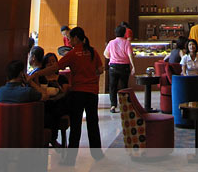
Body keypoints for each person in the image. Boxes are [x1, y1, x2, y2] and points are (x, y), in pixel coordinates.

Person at [35, 26, 104, 165]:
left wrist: (37, 74)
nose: (69, 41)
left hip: (78, 92)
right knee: (93, 123)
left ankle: (71, 159)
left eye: (70, 38)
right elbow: (100, 70)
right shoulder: (92, 52)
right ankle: (97, 154)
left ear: (76, 38)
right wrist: (91, 76)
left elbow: (55, 67)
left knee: (76, 126)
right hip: (92, 93)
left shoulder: (72, 54)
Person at [104, 24, 136, 113]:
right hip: (124, 67)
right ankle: (124, 105)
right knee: (124, 86)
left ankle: (113, 105)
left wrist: (112, 56)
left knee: (112, 86)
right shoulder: (127, 43)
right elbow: (130, 55)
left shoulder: (111, 42)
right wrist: (133, 66)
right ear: (124, 33)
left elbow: (106, 54)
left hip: (113, 66)